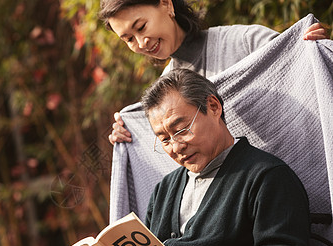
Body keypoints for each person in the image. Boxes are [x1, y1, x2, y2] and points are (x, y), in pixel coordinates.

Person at [137, 68, 310, 246]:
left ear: (213, 107)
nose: (176, 147)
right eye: (165, 139)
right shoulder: (164, 190)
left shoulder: (266, 176)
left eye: (181, 130)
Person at [98, 0, 329, 145]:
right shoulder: (166, 92)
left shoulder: (245, 42)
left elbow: (307, 79)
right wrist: (132, 136)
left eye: (141, 27)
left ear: (166, 5)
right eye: (128, 39)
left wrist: (312, 49)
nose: (141, 42)